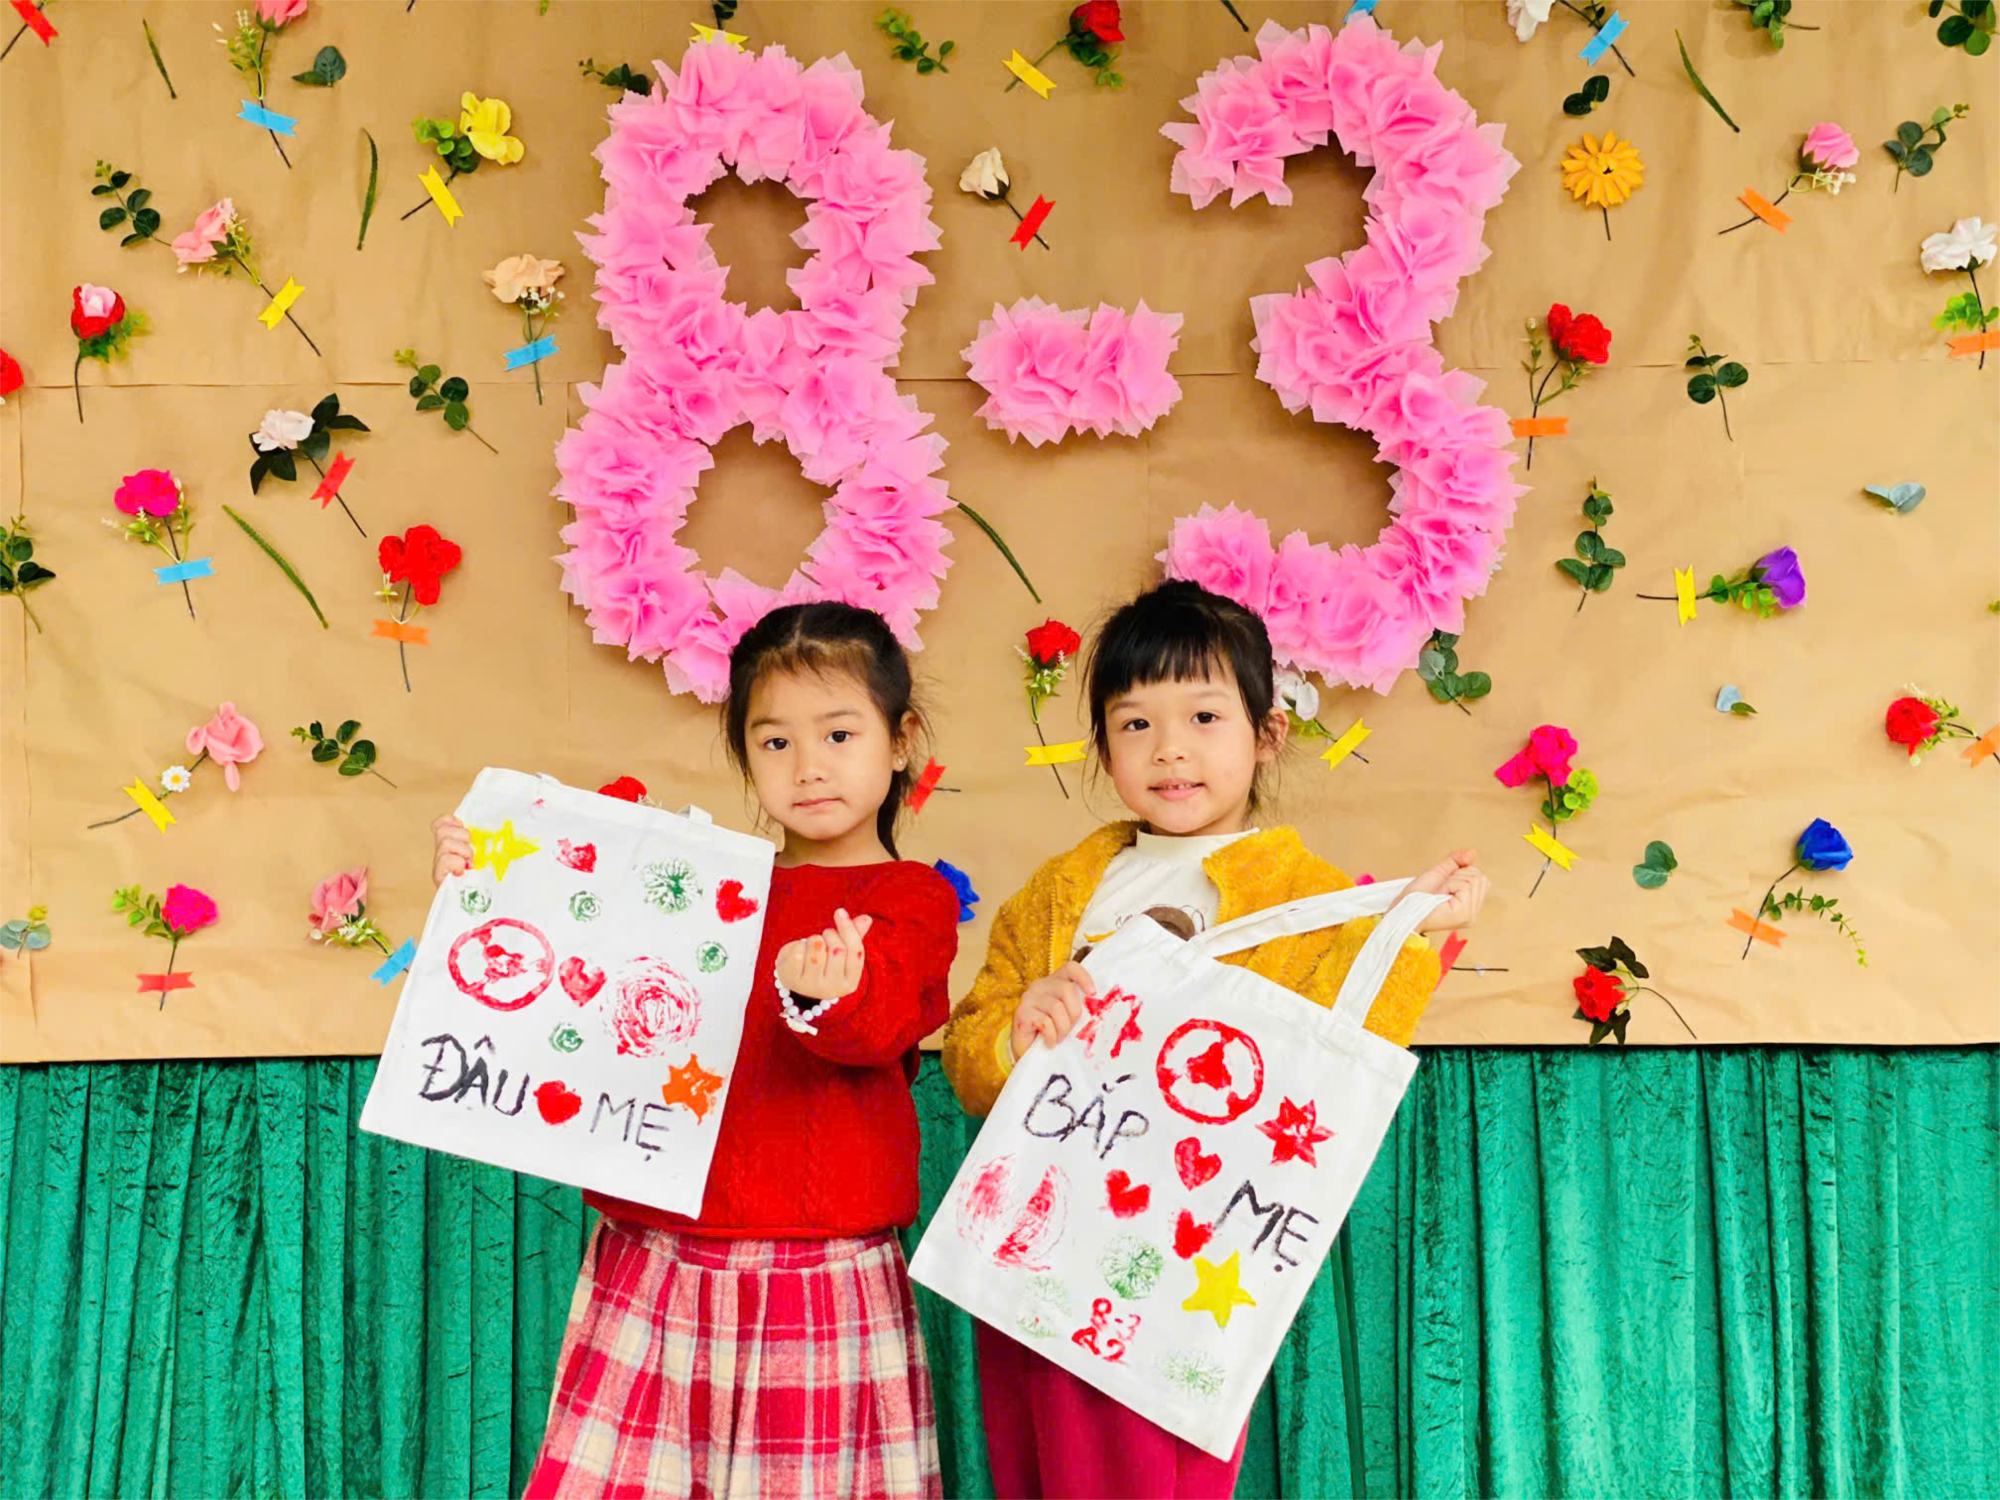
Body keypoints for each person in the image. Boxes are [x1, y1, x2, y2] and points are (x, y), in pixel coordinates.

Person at [941, 580, 1489, 1500]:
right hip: (1040, 1249)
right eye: (1136, 724)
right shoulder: (1059, 891)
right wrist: (1016, 1031)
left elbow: (1331, 1059)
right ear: (1103, 745)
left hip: (1184, 1268)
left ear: (1266, 733)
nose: (1171, 749)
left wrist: (1410, 936)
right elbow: (972, 1054)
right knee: (1037, 1471)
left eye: (1203, 717)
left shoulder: (1305, 897)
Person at [433, 601, 960, 1500]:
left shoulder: (911, 898)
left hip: (816, 1271)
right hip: (655, 1253)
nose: (809, 766)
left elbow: (877, 1024)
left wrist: (825, 993)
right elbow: (577, 972)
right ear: (743, 753)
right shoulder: (703, 887)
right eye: (775, 741)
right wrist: (485, 879)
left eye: (839, 734)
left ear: (901, 738)